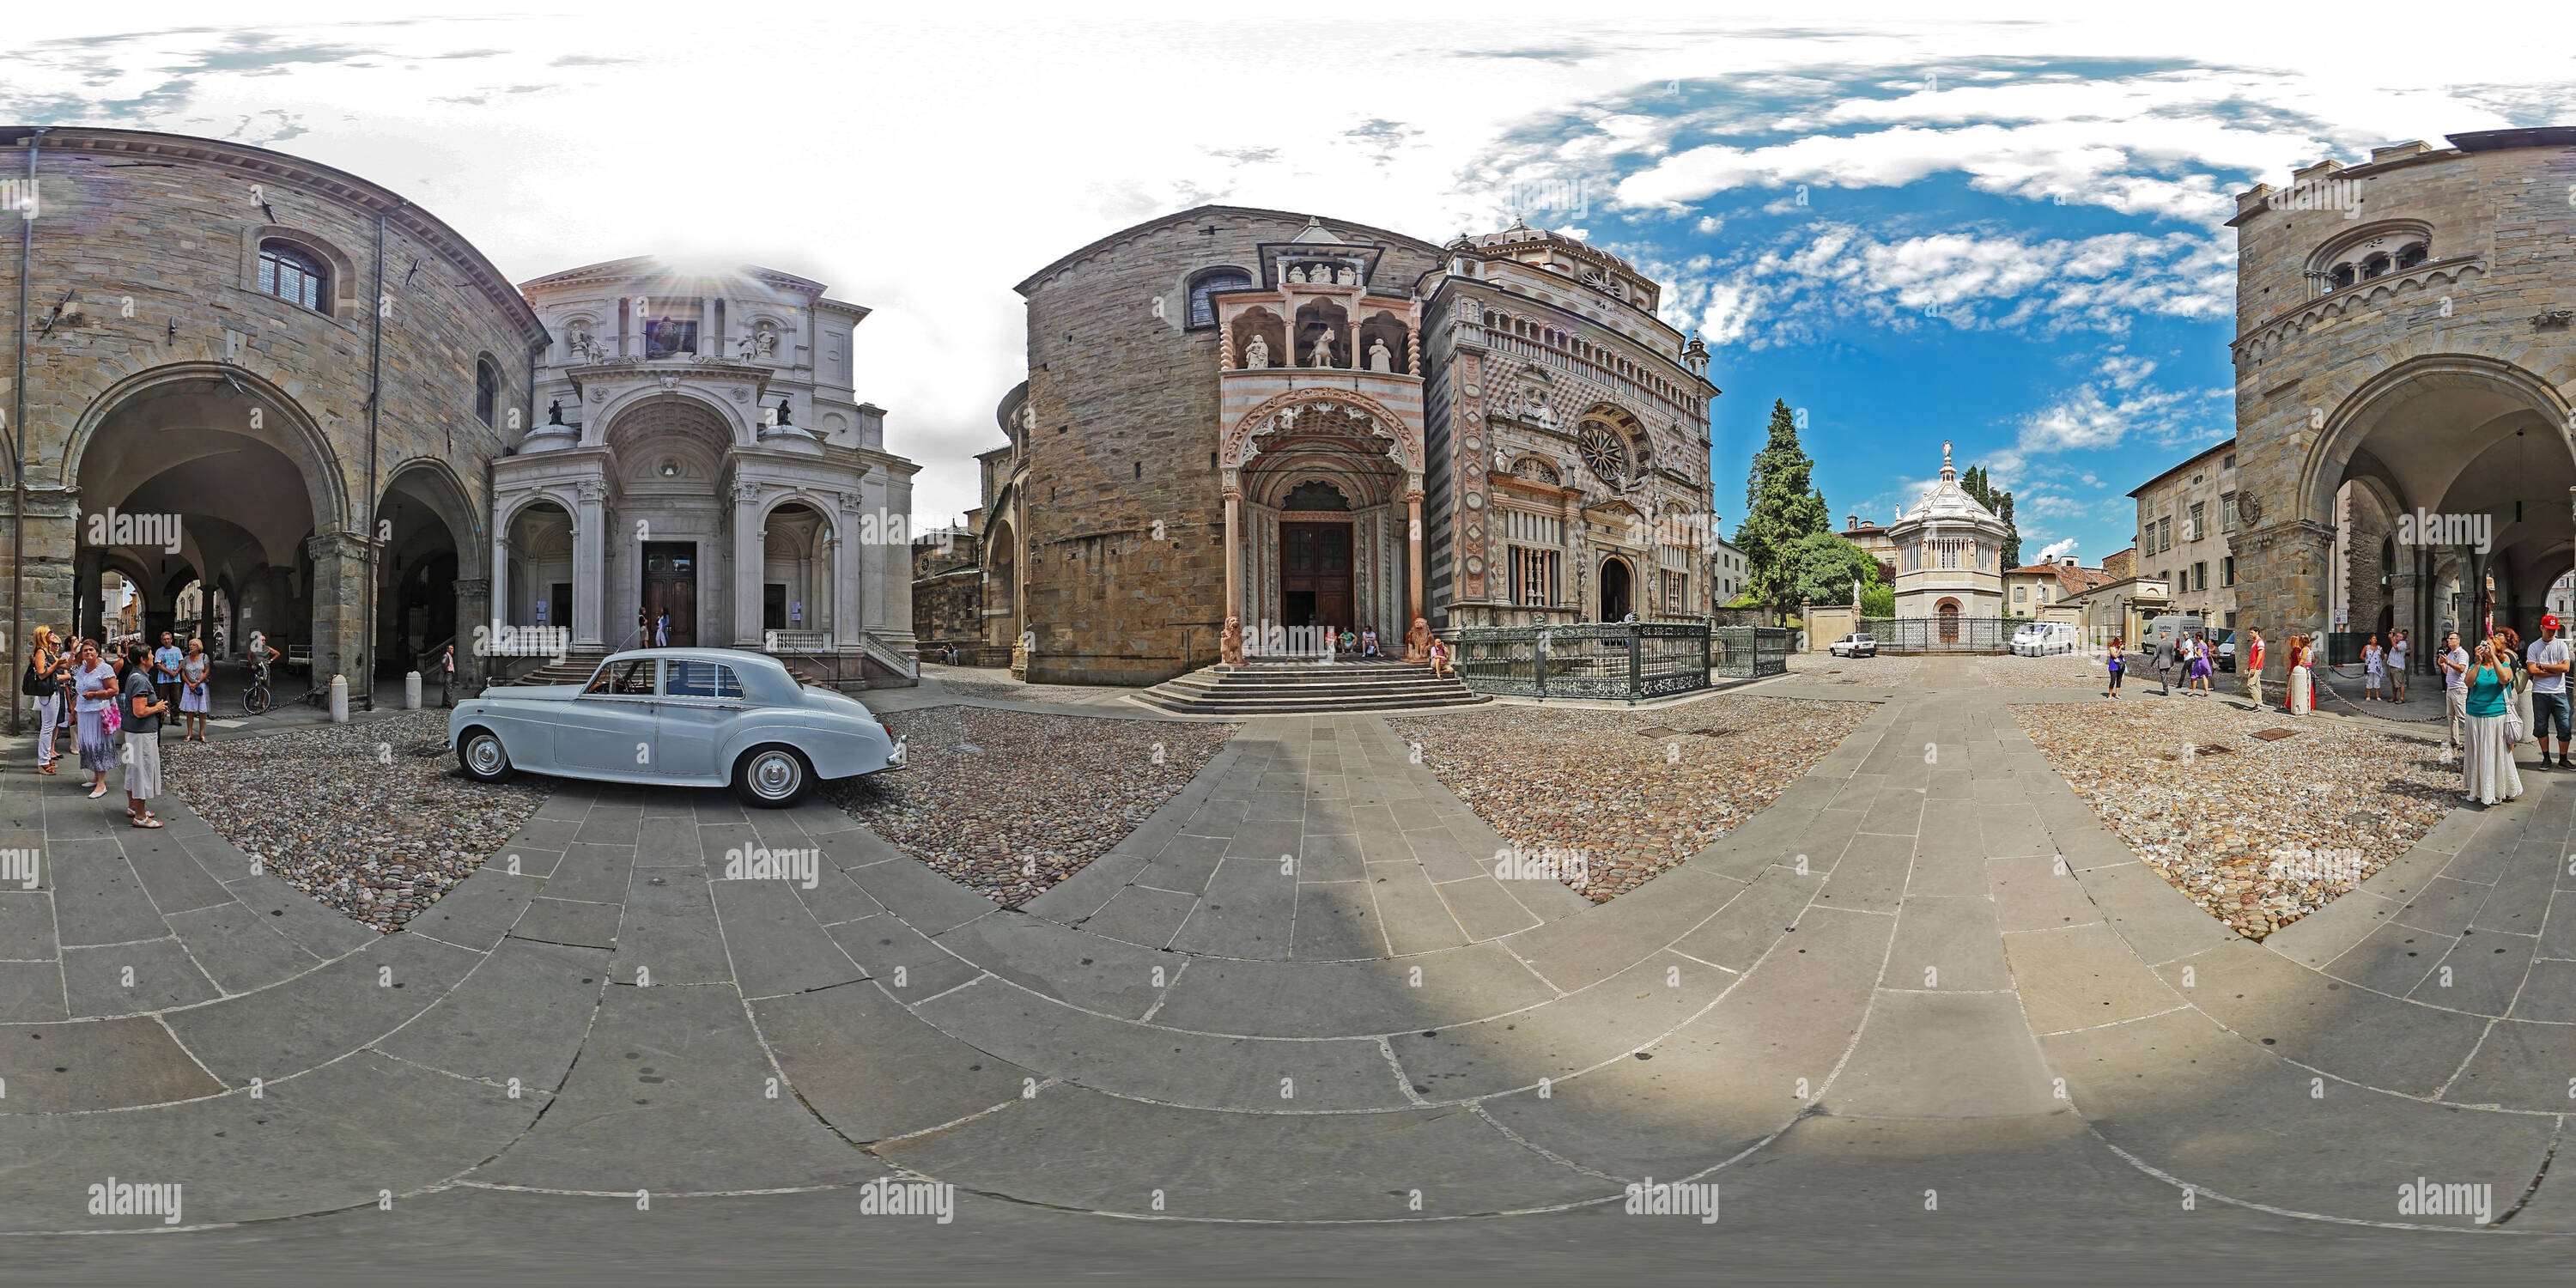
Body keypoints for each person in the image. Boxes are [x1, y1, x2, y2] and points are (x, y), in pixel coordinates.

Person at [2463, 638, 2524, 805]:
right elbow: (2468, 682)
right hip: (2474, 715)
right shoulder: (2476, 666)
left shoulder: (2505, 666)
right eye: (2484, 644)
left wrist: (2494, 658)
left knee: (2494, 753)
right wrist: (2477, 662)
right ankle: (2477, 789)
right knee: (2477, 753)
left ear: (2497, 649)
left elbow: (2504, 679)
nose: (2486, 647)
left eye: (2490, 644)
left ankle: (2497, 789)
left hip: (2495, 716)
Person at [120, 645, 167, 829]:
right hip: (142, 734)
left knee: (134, 770)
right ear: (142, 659)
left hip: (134, 732)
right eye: (151, 654)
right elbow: (140, 711)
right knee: (142, 772)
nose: (153, 655)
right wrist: (158, 708)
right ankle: (140, 816)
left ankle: (133, 807)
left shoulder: (135, 676)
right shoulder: (140, 680)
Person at [70, 641, 119, 799]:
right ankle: (95, 777)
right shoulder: (83, 670)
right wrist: (73, 710)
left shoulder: (105, 668)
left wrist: (95, 694)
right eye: (85, 650)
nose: (88, 652)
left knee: (99, 744)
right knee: (88, 743)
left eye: (91, 649)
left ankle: (102, 783)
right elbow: (79, 691)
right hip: (84, 713)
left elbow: (114, 690)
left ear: (97, 652)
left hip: (99, 712)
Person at [2530, 615, 2573, 769]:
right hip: (2539, 693)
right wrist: (2556, 669)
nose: (2552, 633)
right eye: (2549, 630)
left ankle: (2563, 758)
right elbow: (2531, 670)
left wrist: (2542, 666)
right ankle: (2546, 758)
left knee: (2565, 726)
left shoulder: (2561, 646)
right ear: (2542, 628)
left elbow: (2566, 668)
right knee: (2541, 726)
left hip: (2559, 692)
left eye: (2554, 630)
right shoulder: (2534, 647)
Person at [2439, 630, 2470, 747]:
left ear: (2458, 640)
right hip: (2450, 687)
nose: (2449, 640)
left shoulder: (2462, 653)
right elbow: (2448, 671)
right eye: (2449, 639)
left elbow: (2461, 668)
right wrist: (2443, 664)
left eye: (2451, 638)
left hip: (2459, 688)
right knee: (2451, 715)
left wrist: (2448, 662)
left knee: (2461, 716)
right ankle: (2454, 739)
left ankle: (2469, 740)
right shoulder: (2451, 654)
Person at [178, 637, 211, 741]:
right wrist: (189, 684)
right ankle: (189, 734)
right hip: (189, 686)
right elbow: (183, 673)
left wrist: (197, 683)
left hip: (201, 685)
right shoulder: (186, 658)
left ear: (198, 647)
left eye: (193, 645)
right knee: (190, 711)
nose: (191, 646)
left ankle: (202, 734)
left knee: (202, 711)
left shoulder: (204, 657)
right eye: (190, 644)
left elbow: (206, 671)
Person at [153, 631, 184, 708]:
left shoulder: (177, 650)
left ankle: (175, 719)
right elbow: (158, 664)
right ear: (162, 641)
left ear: (171, 640)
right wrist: (170, 672)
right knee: (162, 700)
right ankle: (161, 719)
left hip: (176, 680)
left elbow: (181, 662)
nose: (167, 641)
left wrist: (176, 672)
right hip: (163, 680)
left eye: (168, 639)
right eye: (165, 639)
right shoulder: (159, 651)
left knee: (176, 700)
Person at [2287, 634, 2316, 716]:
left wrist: (2298, 668)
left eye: (2299, 640)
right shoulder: (2309, 648)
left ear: (2301, 641)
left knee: (2306, 687)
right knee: (2309, 687)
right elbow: (2313, 658)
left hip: (2305, 669)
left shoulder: (2305, 649)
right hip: (2309, 668)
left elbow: (2302, 660)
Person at [2243, 629, 2265, 706]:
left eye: (2252, 632)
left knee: (2250, 685)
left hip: (2256, 667)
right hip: (2254, 667)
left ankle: (2259, 702)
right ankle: (2258, 703)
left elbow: (2260, 655)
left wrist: (2254, 668)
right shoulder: (2255, 642)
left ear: (2257, 632)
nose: (2250, 634)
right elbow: (2254, 656)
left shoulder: (2260, 642)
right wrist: (2249, 666)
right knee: (2257, 685)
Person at [2151, 632, 2178, 696]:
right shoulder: (2171, 644)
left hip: (2162, 662)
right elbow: (2173, 654)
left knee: (2164, 677)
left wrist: (2152, 663)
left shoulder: (2159, 644)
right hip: (2169, 662)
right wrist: (2172, 663)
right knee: (2165, 676)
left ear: (2161, 637)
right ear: (2166, 636)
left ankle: (2166, 690)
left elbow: (2156, 655)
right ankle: (2165, 689)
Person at [2390, 629, 2409, 702]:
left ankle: (2401, 698)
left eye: (2397, 636)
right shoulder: (2396, 641)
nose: (2395, 637)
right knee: (2394, 683)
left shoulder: (2403, 644)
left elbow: (2396, 647)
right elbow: (2392, 637)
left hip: (2398, 667)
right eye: (2396, 636)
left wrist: (2391, 638)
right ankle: (2394, 697)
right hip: (2392, 665)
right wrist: (2392, 632)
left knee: (2400, 683)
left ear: (2401, 638)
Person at [2362, 633, 2384, 702]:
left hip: (2377, 667)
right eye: (2374, 638)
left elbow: (2382, 656)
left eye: (2376, 639)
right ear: (2370, 640)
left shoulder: (2380, 648)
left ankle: (2377, 696)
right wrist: (2367, 661)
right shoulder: (2367, 647)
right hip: (2369, 667)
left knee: (2377, 681)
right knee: (2369, 681)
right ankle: (2368, 696)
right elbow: (2361, 656)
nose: (2375, 640)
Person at [437, 642, 458, 708]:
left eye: (453, 649)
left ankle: (445, 703)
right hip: (448, 673)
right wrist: (446, 670)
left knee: (447, 688)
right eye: (451, 649)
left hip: (449, 673)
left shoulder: (449, 656)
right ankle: (449, 703)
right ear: (448, 649)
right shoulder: (446, 656)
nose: (453, 650)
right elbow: (443, 663)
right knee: (448, 688)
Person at [2105, 635, 2123, 699]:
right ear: (2116, 641)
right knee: (2113, 680)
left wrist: (2122, 654)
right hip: (2113, 666)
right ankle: (2110, 694)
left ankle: (2117, 694)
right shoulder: (2111, 648)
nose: (2121, 643)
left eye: (2121, 642)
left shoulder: (2119, 648)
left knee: (2119, 680)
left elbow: (2120, 655)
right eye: (2120, 642)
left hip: (2119, 666)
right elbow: (2115, 656)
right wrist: (2120, 649)